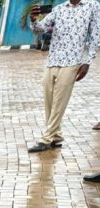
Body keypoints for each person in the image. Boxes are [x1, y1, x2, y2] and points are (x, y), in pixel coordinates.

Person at [26, 0, 100, 152]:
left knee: (59, 102)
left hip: (73, 61)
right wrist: (34, 19)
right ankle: (56, 135)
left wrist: (87, 62)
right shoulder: (59, 9)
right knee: (49, 99)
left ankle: (46, 139)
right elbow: (41, 28)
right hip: (52, 60)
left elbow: (96, 35)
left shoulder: (92, 6)